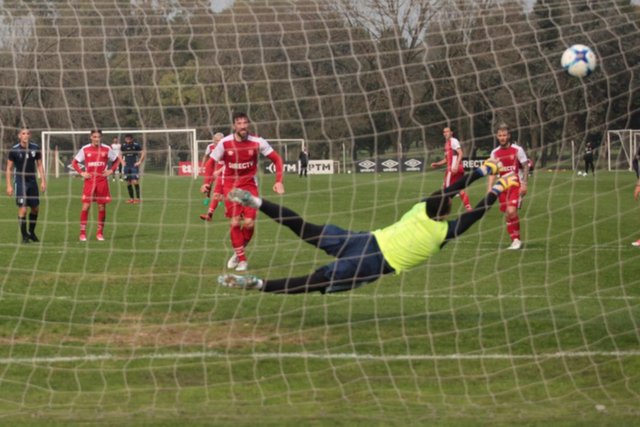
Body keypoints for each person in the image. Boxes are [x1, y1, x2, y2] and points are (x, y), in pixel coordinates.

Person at [217, 159, 515, 293]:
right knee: (313, 282)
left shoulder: (418, 211)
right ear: (447, 213)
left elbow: (451, 189)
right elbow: (475, 214)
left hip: (364, 240)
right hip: (373, 263)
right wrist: (498, 188)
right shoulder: (442, 233)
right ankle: (258, 284)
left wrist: (482, 171)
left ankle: (257, 203)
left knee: (306, 228)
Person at [200, 112, 285, 272]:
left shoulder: (258, 142)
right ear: (234, 126)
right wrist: (206, 183)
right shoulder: (225, 143)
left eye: (245, 123)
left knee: (249, 223)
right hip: (230, 187)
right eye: (239, 123)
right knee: (234, 222)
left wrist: (278, 181)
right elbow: (211, 163)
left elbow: (277, 159)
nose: (243, 126)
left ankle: (238, 252)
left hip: (249, 187)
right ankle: (243, 260)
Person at [71, 129, 120, 241]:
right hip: (89, 181)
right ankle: (82, 233)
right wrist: (82, 172)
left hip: (102, 181)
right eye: (94, 137)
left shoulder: (107, 148)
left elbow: (117, 160)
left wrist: (111, 171)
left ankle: (99, 233)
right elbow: (74, 162)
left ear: (101, 137)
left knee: (101, 206)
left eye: (98, 137)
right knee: (86, 206)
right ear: (91, 137)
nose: (96, 139)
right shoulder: (85, 149)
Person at [487, 123, 529, 250]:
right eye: (500, 135)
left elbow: (526, 165)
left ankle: (516, 240)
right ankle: (514, 240)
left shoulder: (517, 150)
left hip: (516, 185)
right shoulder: (494, 153)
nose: (502, 137)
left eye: (504, 135)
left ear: (509, 136)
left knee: (511, 211)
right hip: (502, 187)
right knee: (507, 214)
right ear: (497, 136)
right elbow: (493, 171)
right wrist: (490, 188)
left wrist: (525, 184)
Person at [5, 127, 47, 243]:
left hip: (32, 181)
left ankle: (31, 233)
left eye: (27, 133)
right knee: (23, 209)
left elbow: (39, 165)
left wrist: (43, 181)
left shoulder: (35, 148)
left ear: (30, 135)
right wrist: (9, 185)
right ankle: (24, 236)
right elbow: (8, 168)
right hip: (20, 182)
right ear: (19, 136)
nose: (25, 136)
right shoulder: (14, 150)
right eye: (23, 133)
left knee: (35, 208)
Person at [431, 127, 472, 211]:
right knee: (460, 189)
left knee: (445, 189)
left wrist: (456, 165)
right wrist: (437, 164)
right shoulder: (446, 144)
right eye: (444, 132)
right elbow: (446, 159)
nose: (445, 133)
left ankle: (442, 209)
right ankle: (468, 207)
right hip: (457, 169)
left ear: (451, 133)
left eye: (447, 131)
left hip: (453, 169)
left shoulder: (453, 141)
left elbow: (460, 153)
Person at [200, 132, 225, 221]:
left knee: (231, 194)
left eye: (220, 140)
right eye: (216, 140)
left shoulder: (229, 147)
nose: (218, 142)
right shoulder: (213, 148)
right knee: (216, 194)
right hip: (220, 172)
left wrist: (219, 170)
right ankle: (209, 215)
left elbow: (233, 163)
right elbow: (209, 162)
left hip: (232, 173)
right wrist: (205, 182)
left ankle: (240, 212)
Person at [121, 133, 145, 203]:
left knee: (135, 181)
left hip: (134, 166)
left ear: (132, 139)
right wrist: (122, 161)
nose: (127, 140)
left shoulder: (136, 145)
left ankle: (138, 199)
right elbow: (119, 154)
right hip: (126, 166)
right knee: (128, 182)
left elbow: (143, 152)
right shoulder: (123, 146)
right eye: (126, 139)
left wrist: (140, 161)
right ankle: (131, 199)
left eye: (129, 139)